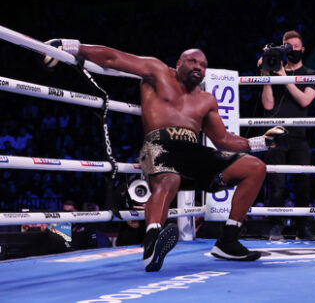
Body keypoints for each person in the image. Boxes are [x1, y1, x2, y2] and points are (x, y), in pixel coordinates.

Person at [45, 40, 285, 271]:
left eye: (203, 66)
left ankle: (228, 242)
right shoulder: (157, 71)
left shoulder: (206, 100)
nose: (198, 68)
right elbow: (112, 58)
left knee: (254, 167)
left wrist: (261, 142)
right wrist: (70, 46)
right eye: (192, 62)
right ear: (179, 63)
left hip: (195, 153)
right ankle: (152, 242)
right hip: (159, 144)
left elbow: (223, 140)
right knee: (169, 179)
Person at [259, 30, 315, 241]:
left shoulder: (311, 73)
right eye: (288, 46)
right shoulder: (275, 73)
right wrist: (267, 76)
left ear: (302, 49)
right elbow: (268, 105)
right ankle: (275, 226)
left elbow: (304, 100)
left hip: (299, 137)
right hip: (276, 135)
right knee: (276, 183)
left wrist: (284, 78)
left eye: (296, 46)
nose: (292, 49)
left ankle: (302, 227)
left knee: (303, 183)